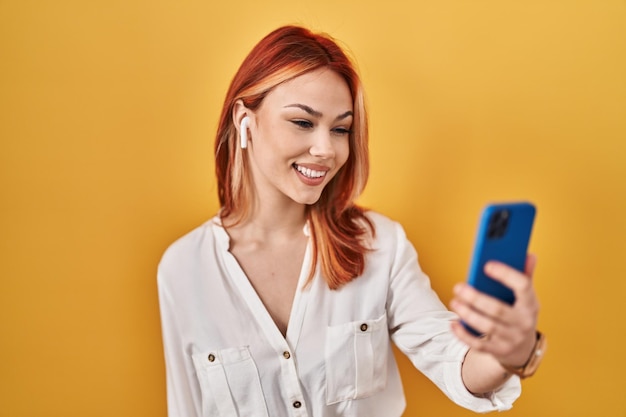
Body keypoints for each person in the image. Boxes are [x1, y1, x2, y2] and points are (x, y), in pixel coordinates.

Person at [157, 25, 545, 417]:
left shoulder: (380, 245)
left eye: (340, 129)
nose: (326, 149)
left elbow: (455, 362)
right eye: (303, 122)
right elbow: (186, 407)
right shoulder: (182, 269)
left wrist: (511, 353)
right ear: (245, 120)